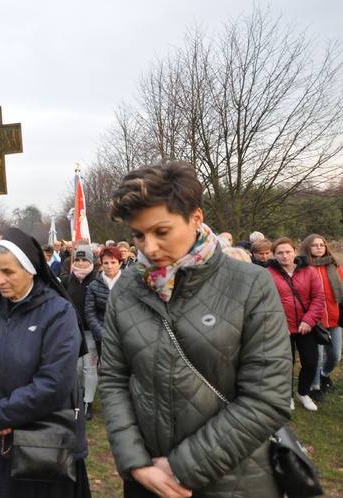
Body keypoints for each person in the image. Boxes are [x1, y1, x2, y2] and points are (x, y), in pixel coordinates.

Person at [101, 161, 291, 497]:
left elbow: (267, 397)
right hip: (147, 481)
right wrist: (136, 463)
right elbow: (114, 379)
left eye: (161, 232)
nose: (148, 248)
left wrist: (178, 468)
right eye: (138, 235)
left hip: (235, 480)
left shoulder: (251, 284)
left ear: (196, 218)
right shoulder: (127, 288)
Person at [0, 228, 90, 497]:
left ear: (31, 269)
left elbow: (54, 381)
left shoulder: (58, 312)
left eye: (8, 272)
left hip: (44, 444)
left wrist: (4, 414)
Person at [266, 237, 324, 412]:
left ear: (295, 252)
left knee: (310, 362)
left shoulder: (309, 271)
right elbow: (266, 301)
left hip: (306, 326)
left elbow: (318, 298)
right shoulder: (268, 273)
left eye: (288, 251)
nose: (285, 256)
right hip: (281, 327)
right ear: (274, 255)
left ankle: (303, 393)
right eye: (280, 253)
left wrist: (309, 320)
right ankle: (287, 396)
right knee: (285, 364)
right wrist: (279, 323)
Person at [299, 234, 341, 403]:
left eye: (322, 245)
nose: (319, 247)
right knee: (315, 357)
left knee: (335, 355)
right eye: (315, 245)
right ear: (307, 247)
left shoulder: (335, 267)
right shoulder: (302, 268)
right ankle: (314, 387)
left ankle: (325, 375)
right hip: (314, 321)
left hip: (335, 319)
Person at [84, 245, 124, 414]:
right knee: (105, 371)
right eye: (106, 263)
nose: (109, 266)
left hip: (124, 334)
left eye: (113, 262)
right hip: (102, 334)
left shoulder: (128, 282)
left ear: (120, 263)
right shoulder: (94, 286)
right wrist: (101, 333)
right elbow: (90, 311)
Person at [61, 246, 98, 421]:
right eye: (78, 260)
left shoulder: (97, 280)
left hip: (91, 332)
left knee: (89, 367)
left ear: (91, 262)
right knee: (75, 367)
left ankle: (88, 402)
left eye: (85, 260)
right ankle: (79, 394)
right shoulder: (66, 281)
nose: (81, 263)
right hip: (72, 331)